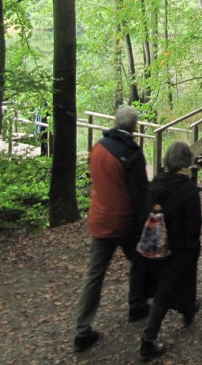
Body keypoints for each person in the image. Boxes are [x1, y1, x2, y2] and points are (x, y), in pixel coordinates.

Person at [73, 106, 150, 353]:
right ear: (134, 127)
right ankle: (137, 305)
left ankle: (82, 330)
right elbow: (140, 194)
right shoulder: (132, 153)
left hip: (99, 219)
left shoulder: (97, 147)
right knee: (141, 260)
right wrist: (145, 224)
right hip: (124, 221)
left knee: (94, 275)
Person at [139, 142, 202, 361]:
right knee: (166, 291)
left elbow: (146, 214)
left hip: (156, 245)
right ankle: (147, 340)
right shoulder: (188, 189)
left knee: (173, 282)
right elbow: (194, 225)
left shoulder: (155, 184)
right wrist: (191, 244)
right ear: (187, 161)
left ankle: (188, 308)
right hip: (179, 247)